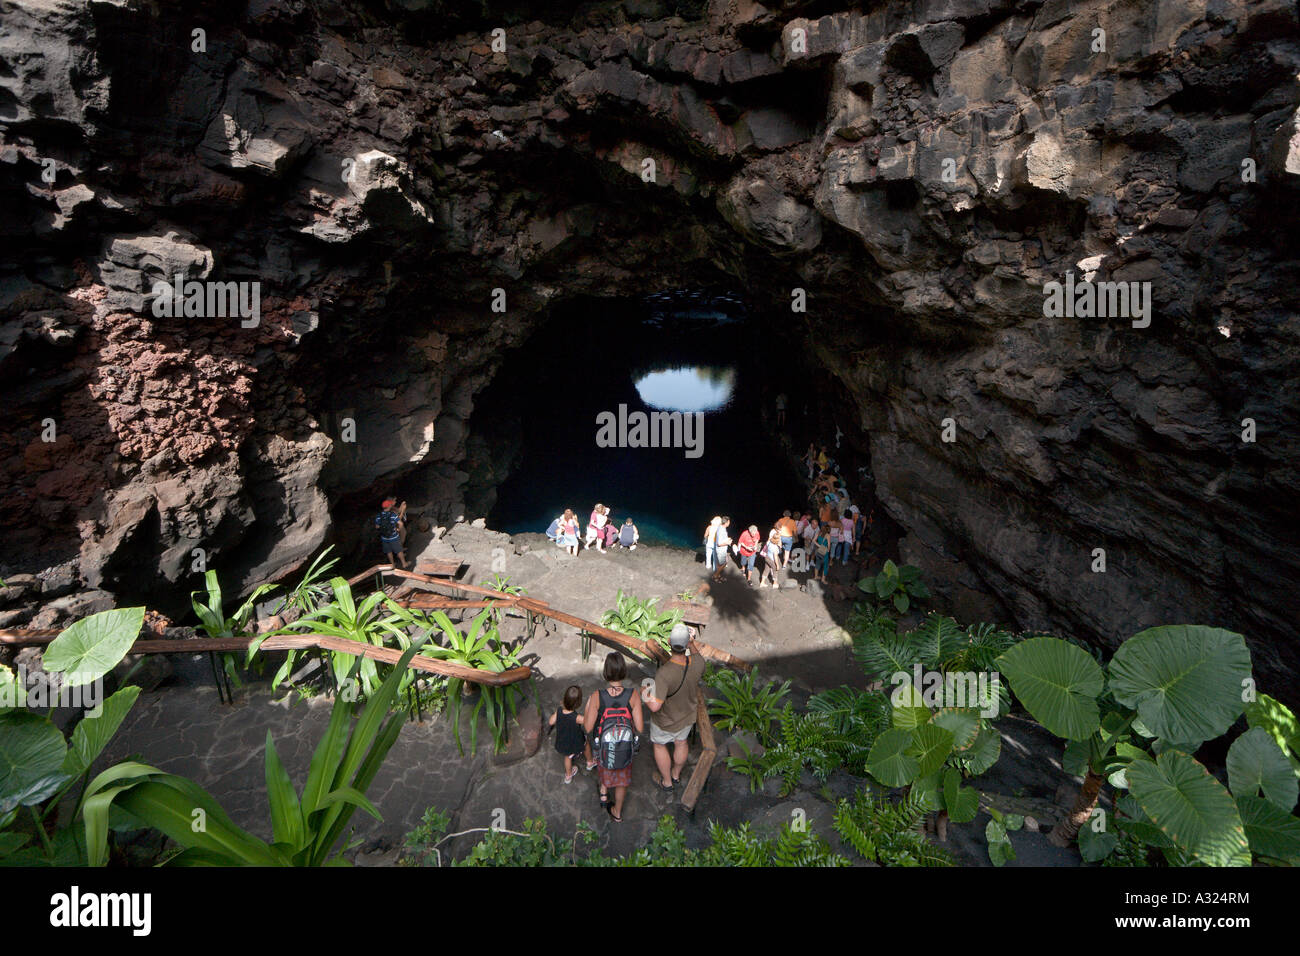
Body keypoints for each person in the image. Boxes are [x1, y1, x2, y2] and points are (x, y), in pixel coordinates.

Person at [641, 624, 705, 792]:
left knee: (660, 745)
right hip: (687, 717)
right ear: (686, 645)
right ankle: (676, 774)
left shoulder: (665, 673)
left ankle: (667, 781)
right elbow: (697, 655)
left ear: (669, 642)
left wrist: (644, 692)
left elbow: (655, 706)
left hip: (666, 721)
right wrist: (691, 643)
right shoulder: (698, 663)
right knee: (681, 742)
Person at [584, 652, 643, 823]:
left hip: (604, 746)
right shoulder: (633, 695)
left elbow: (588, 727)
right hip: (624, 748)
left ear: (606, 672)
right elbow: (639, 727)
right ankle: (616, 812)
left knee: (605, 767)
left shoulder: (597, 696)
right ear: (624, 671)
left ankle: (604, 793)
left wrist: (589, 706)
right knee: (621, 781)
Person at [549, 685, 593, 784]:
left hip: (563, 741)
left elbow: (551, 722)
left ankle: (568, 776)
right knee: (586, 744)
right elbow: (588, 721)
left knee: (568, 757)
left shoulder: (559, 710)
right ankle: (590, 762)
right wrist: (589, 705)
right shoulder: (576, 717)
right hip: (575, 741)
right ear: (578, 704)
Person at [375, 498, 406, 569]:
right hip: (394, 536)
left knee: (389, 551)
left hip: (384, 537)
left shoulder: (378, 516)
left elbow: (377, 527)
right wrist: (398, 529)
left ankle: (393, 565)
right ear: (389, 506)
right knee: (399, 550)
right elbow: (400, 523)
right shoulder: (392, 515)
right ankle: (404, 563)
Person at [712, 516, 732, 583]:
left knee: (720, 564)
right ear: (726, 522)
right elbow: (719, 543)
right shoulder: (721, 530)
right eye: (729, 521)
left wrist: (726, 539)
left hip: (721, 550)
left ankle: (718, 575)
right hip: (721, 550)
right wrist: (728, 543)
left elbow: (721, 539)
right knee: (724, 563)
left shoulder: (721, 527)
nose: (730, 522)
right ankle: (715, 576)